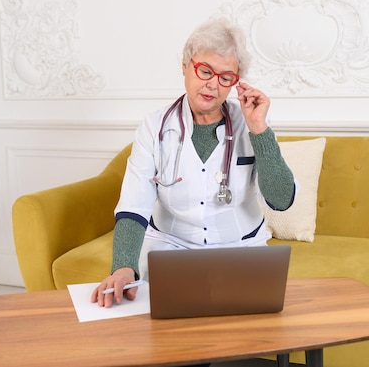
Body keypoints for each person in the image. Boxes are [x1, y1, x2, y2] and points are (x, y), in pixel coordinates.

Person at [91, 18, 297, 312]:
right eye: (205, 70)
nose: (213, 84)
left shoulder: (251, 124)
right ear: (186, 66)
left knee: (247, 335)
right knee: (171, 338)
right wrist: (123, 267)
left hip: (241, 250)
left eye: (226, 77)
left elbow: (280, 200)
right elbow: (134, 207)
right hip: (172, 250)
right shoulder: (154, 128)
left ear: (235, 83)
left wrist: (259, 130)